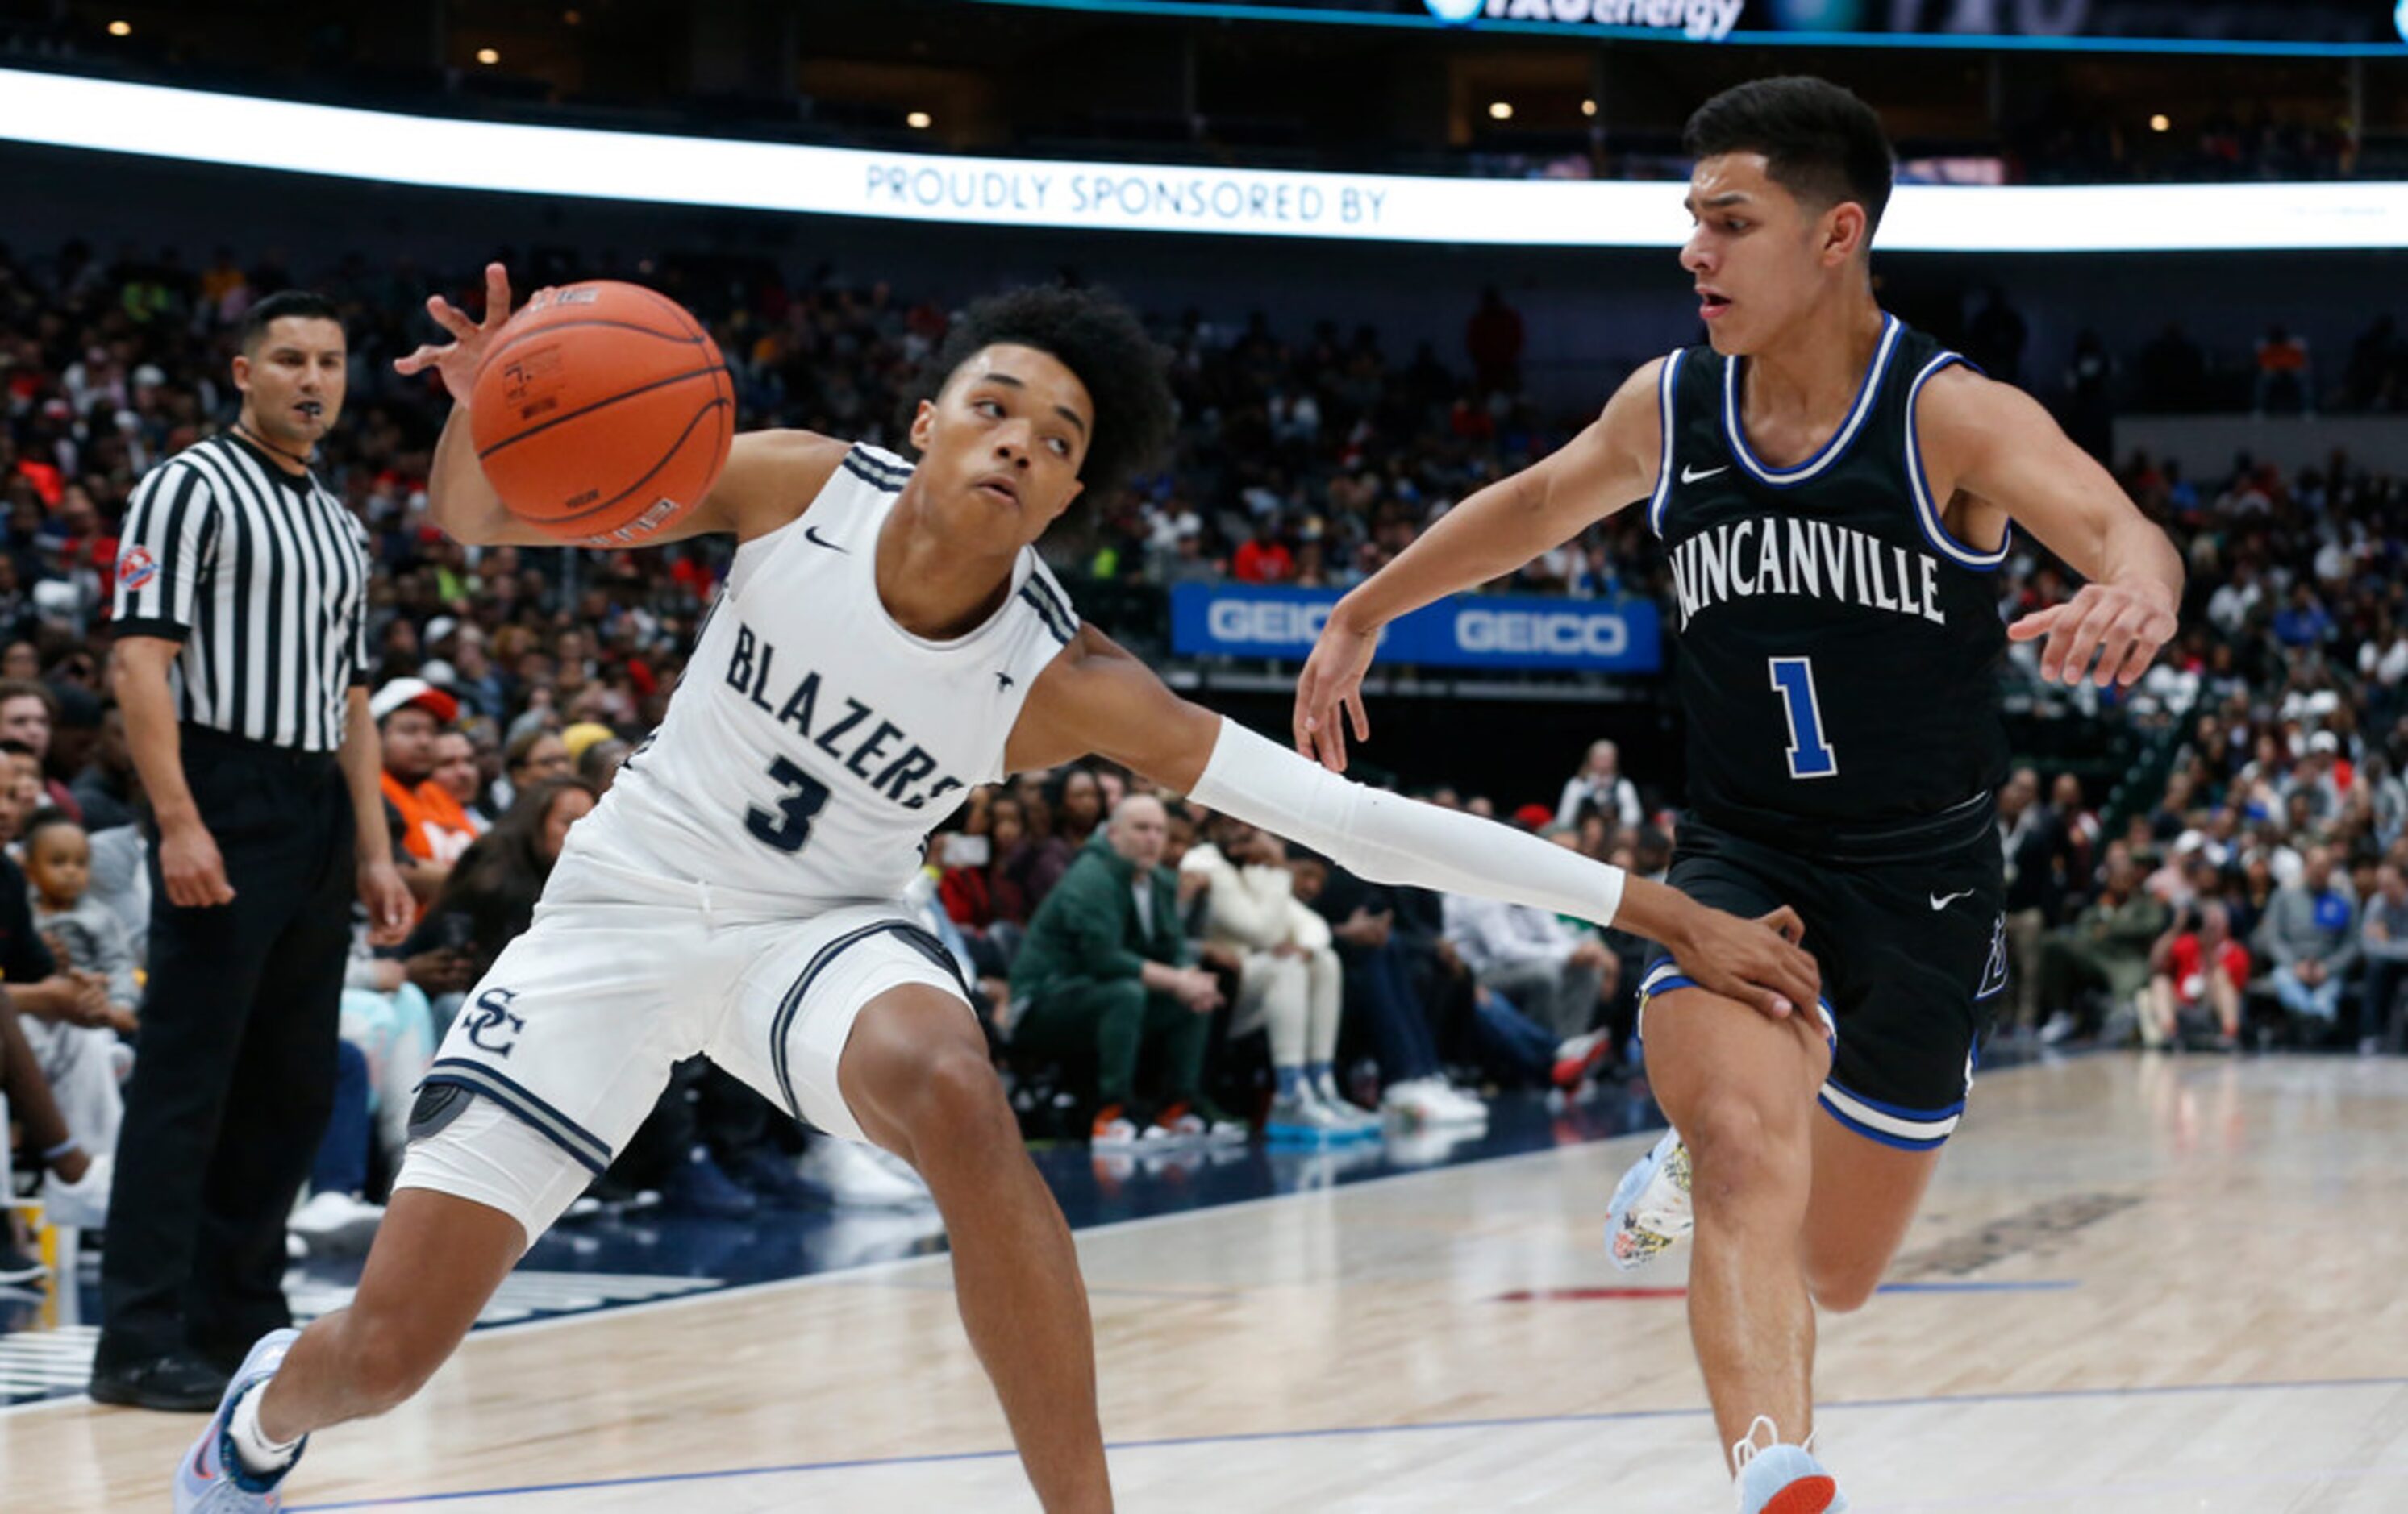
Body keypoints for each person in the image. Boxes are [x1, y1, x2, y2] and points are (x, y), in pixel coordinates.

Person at [181, 270, 1814, 1514]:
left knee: (956, 1090)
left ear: (1064, 497)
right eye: (995, 403)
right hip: (614, 917)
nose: (1020, 438)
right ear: (930, 418)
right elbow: (473, 515)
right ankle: (263, 1418)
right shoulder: (791, 484)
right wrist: (498, 401)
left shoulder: (1065, 675)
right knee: (383, 1359)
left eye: (1058, 438)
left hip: (816, 935)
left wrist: (1653, 907)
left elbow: (1350, 815)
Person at [1290, 77, 2181, 1511]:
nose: (1693, 252)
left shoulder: (1949, 416)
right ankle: (1777, 1464)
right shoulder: (1670, 403)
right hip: (1739, 856)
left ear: (1836, 234)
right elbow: (1532, 503)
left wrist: (2136, 584)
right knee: (1747, 1140)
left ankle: (1710, 1180)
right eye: (1689, 221)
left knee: (1836, 1265)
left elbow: (2114, 525)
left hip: (1927, 881)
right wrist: (1364, 609)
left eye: (1729, 220)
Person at [94, 291, 414, 1414]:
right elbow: (140, 664)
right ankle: (135, 1336)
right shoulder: (187, 485)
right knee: (189, 1075)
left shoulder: (338, 520)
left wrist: (375, 851)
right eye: (288, 360)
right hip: (222, 783)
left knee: (285, 1084)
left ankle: (234, 1318)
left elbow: (355, 697)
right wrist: (179, 818)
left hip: (316, 803)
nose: (312, 379)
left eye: (328, 361)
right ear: (243, 371)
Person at [1013, 793, 1228, 1146]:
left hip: (1097, 992)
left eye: (1160, 830)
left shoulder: (1158, 880)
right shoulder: (1091, 876)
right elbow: (1103, 958)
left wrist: (1190, 977)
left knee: (1191, 998)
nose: (1153, 838)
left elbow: (1173, 947)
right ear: (1113, 834)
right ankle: (1112, 1113)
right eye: (1141, 828)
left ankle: (1179, 1108)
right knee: (1126, 993)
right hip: (1043, 999)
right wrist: (1178, 980)